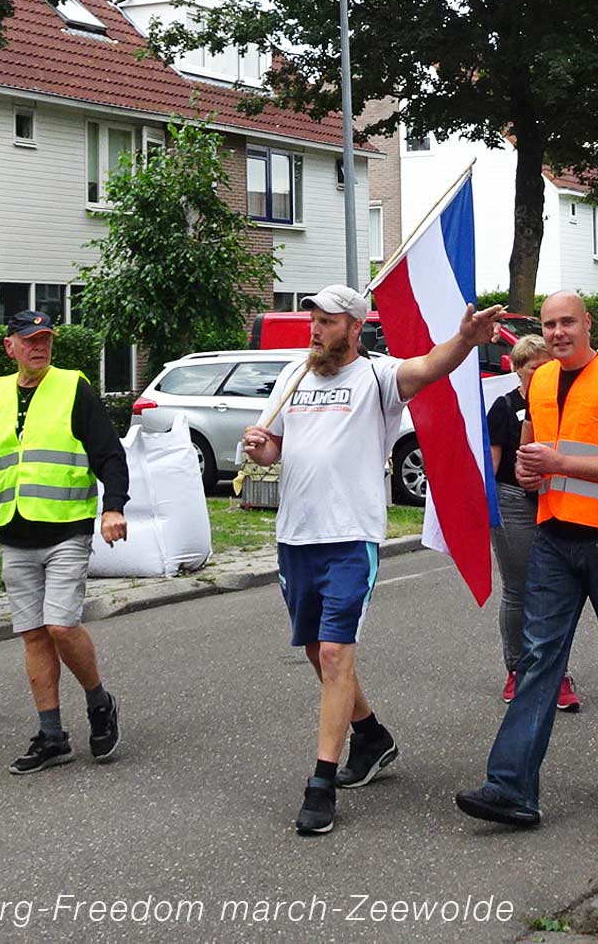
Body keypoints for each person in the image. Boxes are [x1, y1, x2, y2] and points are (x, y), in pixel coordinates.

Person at [243, 285, 506, 837]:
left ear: (354, 326)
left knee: (335, 652)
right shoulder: (295, 375)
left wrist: (464, 340)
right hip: (296, 536)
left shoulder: (377, 377)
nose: (316, 329)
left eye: (327, 321)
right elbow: (274, 446)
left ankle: (321, 783)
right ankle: (371, 736)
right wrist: (260, 447)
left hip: (350, 535)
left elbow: (429, 367)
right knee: (316, 650)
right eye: (313, 320)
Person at [456, 290, 598, 830]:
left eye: (567, 322)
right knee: (538, 657)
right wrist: (528, 474)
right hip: (553, 538)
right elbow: (531, 456)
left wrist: (558, 464)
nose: (558, 332)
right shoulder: (540, 381)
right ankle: (510, 788)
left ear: (587, 323)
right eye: (549, 325)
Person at [0, 310, 128, 777]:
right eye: (30, 340)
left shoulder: (73, 388)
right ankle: (52, 735)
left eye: (46, 339)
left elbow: (110, 454)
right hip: (16, 533)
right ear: (9, 346)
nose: (39, 347)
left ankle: (99, 702)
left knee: (60, 626)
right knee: (33, 634)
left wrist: (113, 506)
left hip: (67, 528)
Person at [488, 335, 580, 712]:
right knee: (520, 588)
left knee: (557, 590)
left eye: (547, 367)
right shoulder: (504, 407)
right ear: (517, 370)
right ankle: (518, 668)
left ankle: (556, 672)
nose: (541, 373)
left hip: (557, 497)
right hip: (513, 500)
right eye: (533, 368)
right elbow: (493, 464)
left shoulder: (565, 402)